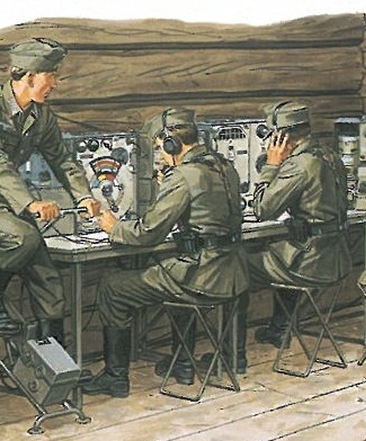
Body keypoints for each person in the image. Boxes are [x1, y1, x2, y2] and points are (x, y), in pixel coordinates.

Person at [83, 108, 248, 398]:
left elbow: (148, 233)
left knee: (113, 287)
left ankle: (115, 378)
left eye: (160, 148)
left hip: (201, 278)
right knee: (173, 272)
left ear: (172, 143)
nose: (161, 155)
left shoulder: (182, 176)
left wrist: (113, 227)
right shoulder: (225, 166)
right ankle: (182, 363)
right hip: (231, 275)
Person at [0, 38, 100, 343]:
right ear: (29, 76)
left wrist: (84, 196)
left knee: (49, 282)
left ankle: (55, 362)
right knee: (25, 237)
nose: (54, 84)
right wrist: (31, 204)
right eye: (50, 76)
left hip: (9, 206)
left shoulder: (42, 116)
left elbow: (62, 160)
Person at [244, 100, 351, 350]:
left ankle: (233, 351)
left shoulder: (298, 165)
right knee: (282, 251)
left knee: (235, 264)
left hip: (310, 264)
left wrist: (272, 165)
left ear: (281, 137)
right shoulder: (329, 155)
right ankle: (279, 328)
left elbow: (262, 209)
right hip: (335, 257)